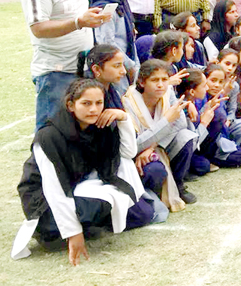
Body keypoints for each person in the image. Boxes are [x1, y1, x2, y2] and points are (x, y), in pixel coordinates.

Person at [13, 78, 153, 263]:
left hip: (78, 187)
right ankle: (54, 233)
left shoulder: (97, 126)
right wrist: (74, 233)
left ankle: (88, 223)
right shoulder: (49, 136)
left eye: (98, 103)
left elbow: (128, 153)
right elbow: (54, 189)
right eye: (86, 103)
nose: (94, 109)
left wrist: (123, 118)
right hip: (44, 203)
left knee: (143, 213)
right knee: (100, 205)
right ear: (71, 105)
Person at [21, 0, 106, 130]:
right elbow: (39, 28)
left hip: (81, 67)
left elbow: (75, 13)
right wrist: (79, 22)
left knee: (78, 132)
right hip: (55, 72)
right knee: (51, 132)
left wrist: (92, 16)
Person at [122, 59, 199, 207]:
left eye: (164, 79)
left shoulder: (167, 92)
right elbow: (134, 146)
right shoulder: (128, 102)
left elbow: (180, 123)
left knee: (186, 137)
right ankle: (149, 194)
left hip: (155, 145)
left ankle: (178, 184)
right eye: (154, 80)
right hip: (136, 154)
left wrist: (152, 146)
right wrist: (166, 121)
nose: (161, 84)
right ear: (142, 82)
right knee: (155, 170)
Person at [91, 0, 138, 92]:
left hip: (126, 63)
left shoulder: (121, 6)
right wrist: (128, 64)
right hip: (115, 66)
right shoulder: (107, 10)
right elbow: (107, 43)